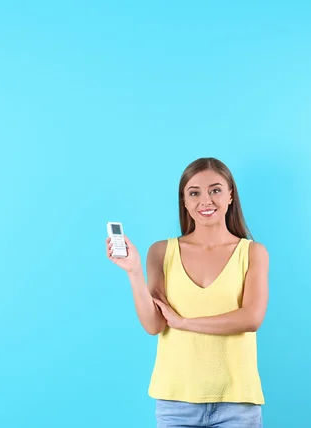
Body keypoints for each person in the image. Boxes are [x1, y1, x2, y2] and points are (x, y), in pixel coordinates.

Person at [106, 157, 269, 428]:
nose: (206, 200)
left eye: (215, 190)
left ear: (230, 196)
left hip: (237, 402)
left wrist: (184, 323)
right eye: (194, 192)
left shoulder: (252, 253)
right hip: (176, 403)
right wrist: (133, 271)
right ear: (184, 201)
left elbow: (251, 318)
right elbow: (154, 324)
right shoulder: (160, 252)